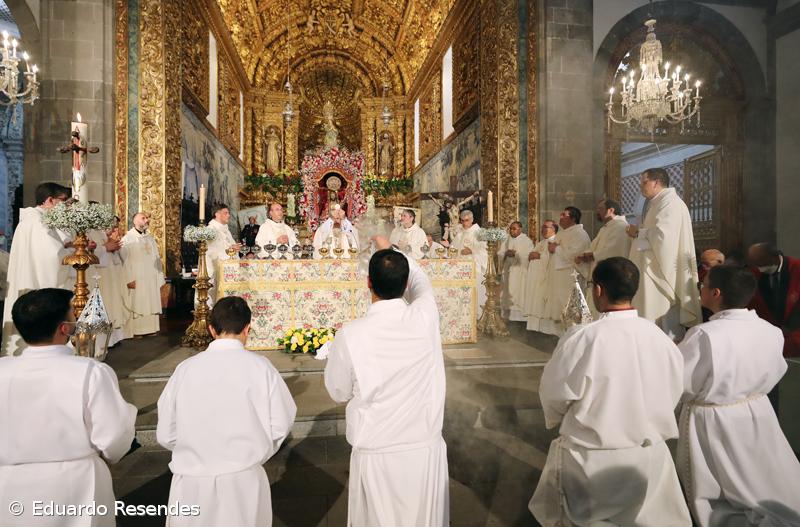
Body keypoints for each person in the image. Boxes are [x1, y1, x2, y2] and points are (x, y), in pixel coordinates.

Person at [530, 257, 690, 526]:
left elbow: (555, 392)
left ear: (598, 290)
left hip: (591, 462)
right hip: (648, 457)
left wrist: (559, 417)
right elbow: (675, 389)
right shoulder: (660, 338)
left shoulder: (583, 338)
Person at [325, 240, 449, 526]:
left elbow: (338, 391)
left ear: (368, 282)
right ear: (405, 285)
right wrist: (393, 248)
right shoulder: (425, 316)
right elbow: (422, 280)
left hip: (376, 452)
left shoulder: (351, 334)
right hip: (423, 451)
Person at [0, 288, 136, 527]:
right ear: (65, 328)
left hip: (11, 484)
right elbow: (114, 436)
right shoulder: (90, 371)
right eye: (74, 315)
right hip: (77, 484)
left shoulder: (3, 371)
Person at [677, 264, 800, 526]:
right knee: (761, 475)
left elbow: (683, 383)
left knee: (721, 492)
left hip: (715, 421)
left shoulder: (703, 334)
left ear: (716, 293)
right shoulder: (770, 330)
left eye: (704, 285)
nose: (701, 289)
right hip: (758, 411)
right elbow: (777, 368)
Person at [157, 296, 296, 527]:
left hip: (192, 482)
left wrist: (196, 454)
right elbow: (281, 423)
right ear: (247, 328)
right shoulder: (261, 367)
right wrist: (255, 454)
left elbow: (166, 432)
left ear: (212, 329)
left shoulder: (185, 370)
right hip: (244, 481)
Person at [627, 167, 701, 339]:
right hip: (651, 270)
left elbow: (664, 238)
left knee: (661, 321)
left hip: (660, 274)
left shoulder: (670, 203)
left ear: (657, 182)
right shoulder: (657, 203)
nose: (641, 186)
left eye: (644, 182)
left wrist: (638, 232)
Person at [2, 182, 73, 356]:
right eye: (63, 201)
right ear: (50, 200)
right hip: (39, 287)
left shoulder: (30, 221)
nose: (65, 207)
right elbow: (52, 259)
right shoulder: (40, 222)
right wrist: (75, 251)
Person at [538, 207, 591, 336]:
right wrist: (553, 249)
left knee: (570, 307)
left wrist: (556, 249)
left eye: (564, 215)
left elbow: (576, 255)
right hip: (557, 277)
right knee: (558, 308)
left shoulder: (580, 234)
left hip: (570, 277)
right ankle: (560, 337)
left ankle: (574, 335)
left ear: (573, 218)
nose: (560, 217)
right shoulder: (563, 233)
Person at [577, 199, 630, 316]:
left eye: (600, 209)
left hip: (610, 279)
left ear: (611, 210)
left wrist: (593, 255)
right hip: (598, 280)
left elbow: (614, 250)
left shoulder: (621, 227)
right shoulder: (605, 228)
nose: (597, 211)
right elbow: (594, 247)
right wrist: (585, 256)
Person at [747, 242, 800, 358]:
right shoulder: (754, 273)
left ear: (774, 257)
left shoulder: (797, 268)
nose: (759, 268)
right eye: (755, 264)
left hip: (795, 333)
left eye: (762, 263)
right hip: (769, 335)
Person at [88, 216, 131, 345]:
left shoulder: (101, 233)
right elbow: (91, 253)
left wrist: (113, 246)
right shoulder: (90, 232)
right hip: (101, 276)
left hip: (111, 275)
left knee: (113, 306)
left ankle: (113, 338)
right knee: (105, 307)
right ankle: (105, 341)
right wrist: (106, 248)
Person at [121, 212, 165, 336]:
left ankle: (151, 329)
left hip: (151, 277)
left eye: (147, 218)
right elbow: (125, 261)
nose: (146, 220)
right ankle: (137, 331)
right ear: (134, 221)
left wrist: (159, 276)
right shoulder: (128, 239)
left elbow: (156, 257)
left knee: (150, 300)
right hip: (137, 277)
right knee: (139, 301)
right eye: (143, 218)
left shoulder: (150, 238)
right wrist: (129, 278)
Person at [444, 209, 487, 316]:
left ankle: (477, 315)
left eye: (467, 220)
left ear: (472, 220)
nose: (464, 223)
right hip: (461, 269)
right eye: (462, 221)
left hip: (474, 268)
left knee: (474, 292)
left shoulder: (479, 232)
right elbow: (453, 249)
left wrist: (471, 250)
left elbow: (485, 250)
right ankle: (463, 314)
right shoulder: (460, 233)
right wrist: (448, 247)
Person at [523, 220, 558, 332]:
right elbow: (531, 256)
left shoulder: (556, 241)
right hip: (535, 278)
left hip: (546, 278)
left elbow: (554, 257)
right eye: (542, 227)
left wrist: (539, 255)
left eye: (546, 227)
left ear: (554, 229)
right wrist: (532, 255)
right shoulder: (541, 242)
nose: (543, 229)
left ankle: (546, 330)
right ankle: (535, 328)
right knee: (535, 301)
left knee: (543, 303)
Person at [497, 221, 534, 321]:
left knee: (518, 295)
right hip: (508, 270)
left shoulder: (527, 241)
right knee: (507, 293)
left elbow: (529, 255)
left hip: (519, 272)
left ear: (520, 229)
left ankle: (520, 319)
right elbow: (500, 253)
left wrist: (516, 254)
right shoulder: (506, 240)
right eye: (511, 229)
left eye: (514, 228)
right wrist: (505, 253)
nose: (512, 231)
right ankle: (507, 317)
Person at [205, 204, 241, 305]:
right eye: (226, 213)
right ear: (217, 214)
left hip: (228, 271)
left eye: (228, 213)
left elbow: (230, 250)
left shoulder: (226, 230)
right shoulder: (210, 230)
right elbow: (211, 251)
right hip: (214, 269)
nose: (229, 215)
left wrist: (234, 249)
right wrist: (229, 249)